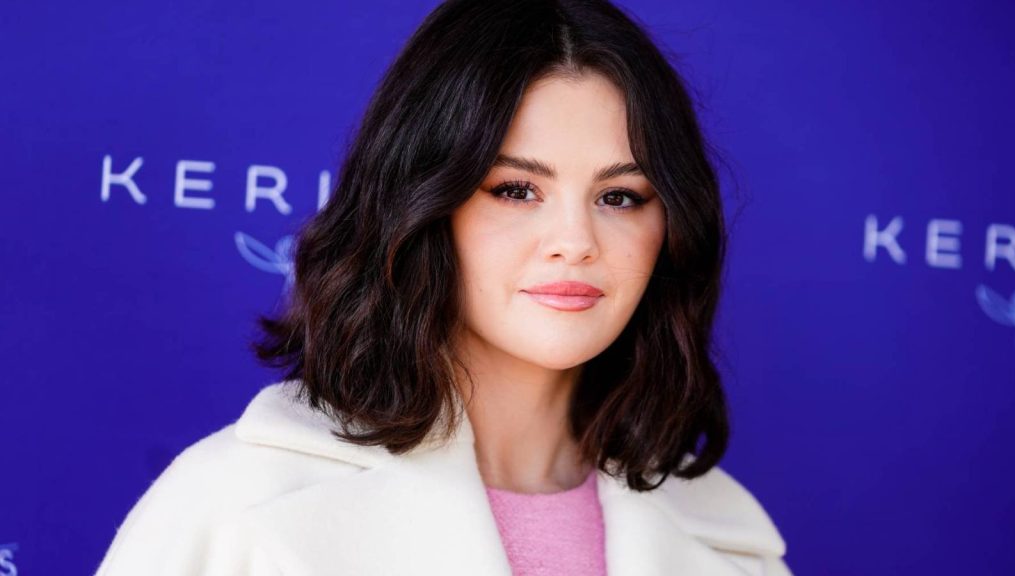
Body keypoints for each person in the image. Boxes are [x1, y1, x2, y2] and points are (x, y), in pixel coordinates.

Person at [95, 0, 791, 574]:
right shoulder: (237, 510)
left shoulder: (730, 544)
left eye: (620, 197)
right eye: (516, 189)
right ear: (424, 202)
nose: (576, 240)